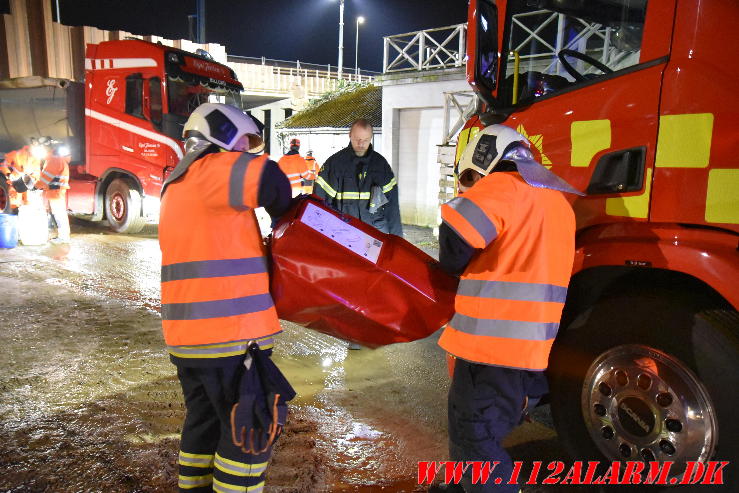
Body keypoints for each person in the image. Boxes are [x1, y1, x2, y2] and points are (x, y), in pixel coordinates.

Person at [432, 125, 583, 493]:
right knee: (473, 428)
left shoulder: (502, 188)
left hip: (490, 347)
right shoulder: (558, 203)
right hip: (528, 350)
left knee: (477, 439)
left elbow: (453, 250)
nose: (471, 184)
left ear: (485, 157)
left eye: (471, 176)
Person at [158, 103, 293, 493]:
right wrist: (287, 214)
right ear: (220, 136)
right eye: (243, 144)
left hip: (189, 342)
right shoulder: (211, 169)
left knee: (205, 424)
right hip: (230, 339)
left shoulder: (178, 183)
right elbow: (270, 179)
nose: (246, 153)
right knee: (249, 431)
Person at [314, 118, 402, 236]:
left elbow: (392, 206)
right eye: (357, 139)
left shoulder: (380, 165)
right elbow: (319, 203)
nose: (361, 144)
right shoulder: (335, 164)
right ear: (350, 135)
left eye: (365, 140)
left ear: (371, 138)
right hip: (344, 231)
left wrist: (397, 239)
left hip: (374, 232)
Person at [35, 138, 71, 243]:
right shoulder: (52, 158)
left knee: (59, 214)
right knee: (58, 214)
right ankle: (62, 236)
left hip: (56, 191)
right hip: (54, 191)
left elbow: (46, 177)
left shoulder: (53, 160)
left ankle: (64, 237)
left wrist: (36, 186)